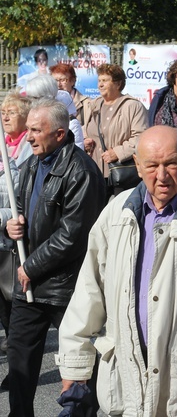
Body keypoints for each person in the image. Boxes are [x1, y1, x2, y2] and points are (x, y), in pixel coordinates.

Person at [57, 126, 177, 416]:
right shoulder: (117, 212)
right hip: (125, 380)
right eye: (152, 165)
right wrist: (74, 365)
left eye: (171, 163)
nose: (162, 175)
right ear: (137, 164)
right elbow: (88, 293)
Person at [5, 99, 107, 416]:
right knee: (19, 359)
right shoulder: (32, 164)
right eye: (29, 130)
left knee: (77, 366)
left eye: (37, 130)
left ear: (60, 134)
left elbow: (73, 235)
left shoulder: (82, 172)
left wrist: (31, 267)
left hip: (68, 287)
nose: (30, 136)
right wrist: (11, 225)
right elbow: (21, 211)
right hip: (30, 283)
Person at [84, 64, 148, 197]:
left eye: (105, 81)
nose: (100, 84)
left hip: (121, 174)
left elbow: (141, 137)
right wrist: (86, 140)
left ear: (118, 84)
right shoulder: (93, 105)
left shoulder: (132, 106)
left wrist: (118, 152)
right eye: (99, 81)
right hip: (95, 173)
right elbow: (86, 129)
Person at [0, 93, 31, 352]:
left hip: (12, 237)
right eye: (3, 112)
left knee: (11, 297)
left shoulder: (28, 148)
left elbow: (21, 200)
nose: (5, 116)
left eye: (11, 111)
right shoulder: (2, 144)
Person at [25, 74, 85, 149]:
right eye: (29, 99)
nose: (32, 103)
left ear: (48, 97)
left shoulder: (71, 123)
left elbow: (76, 155)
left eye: (35, 98)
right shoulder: (32, 120)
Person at [51, 62, 91, 127]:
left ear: (73, 81)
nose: (58, 85)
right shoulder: (47, 103)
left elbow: (90, 130)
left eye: (63, 80)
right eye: (55, 80)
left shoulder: (86, 104)